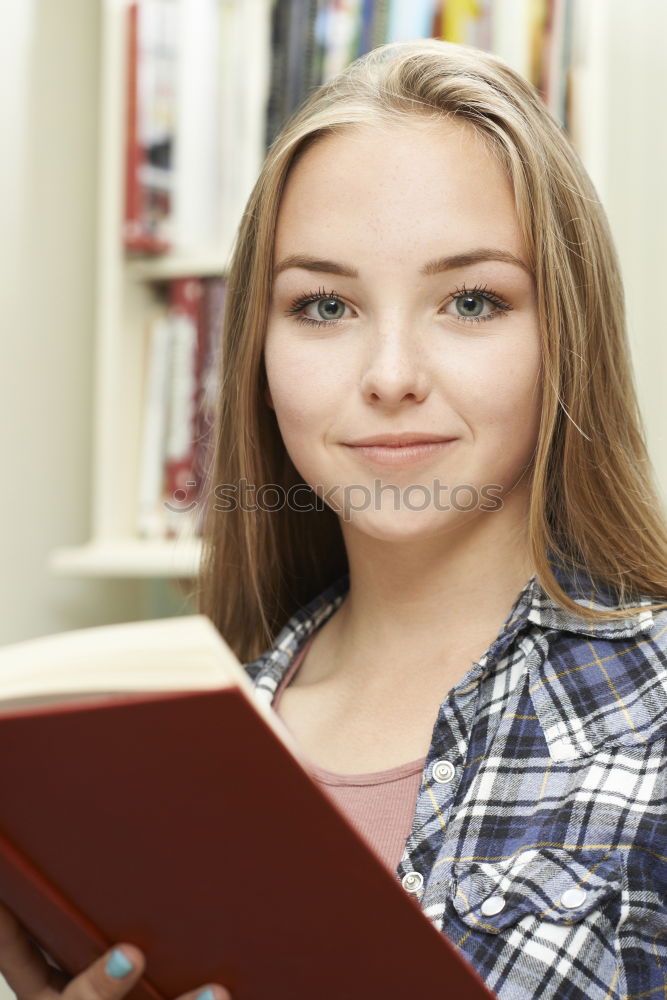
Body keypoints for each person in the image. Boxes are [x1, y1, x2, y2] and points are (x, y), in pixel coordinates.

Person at [2, 36, 666, 1000]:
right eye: (323, 306)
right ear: (257, 351)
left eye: (471, 300)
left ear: (566, 333)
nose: (390, 376)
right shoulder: (175, 747)